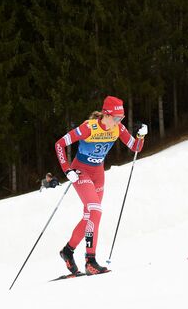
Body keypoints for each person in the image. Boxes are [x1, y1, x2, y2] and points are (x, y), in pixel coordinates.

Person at [54, 95, 148, 275]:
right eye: (116, 118)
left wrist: (141, 136)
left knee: (91, 216)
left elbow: (135, 147)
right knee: (95, 210)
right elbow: (59, 144)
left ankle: (67, 251)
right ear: (106, 114)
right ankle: (90, 261)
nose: (119, 122)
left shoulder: (117, 129)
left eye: (121, 118)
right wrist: (67, 170)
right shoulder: (88, 128)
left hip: (98, 173)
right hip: (81, 171)